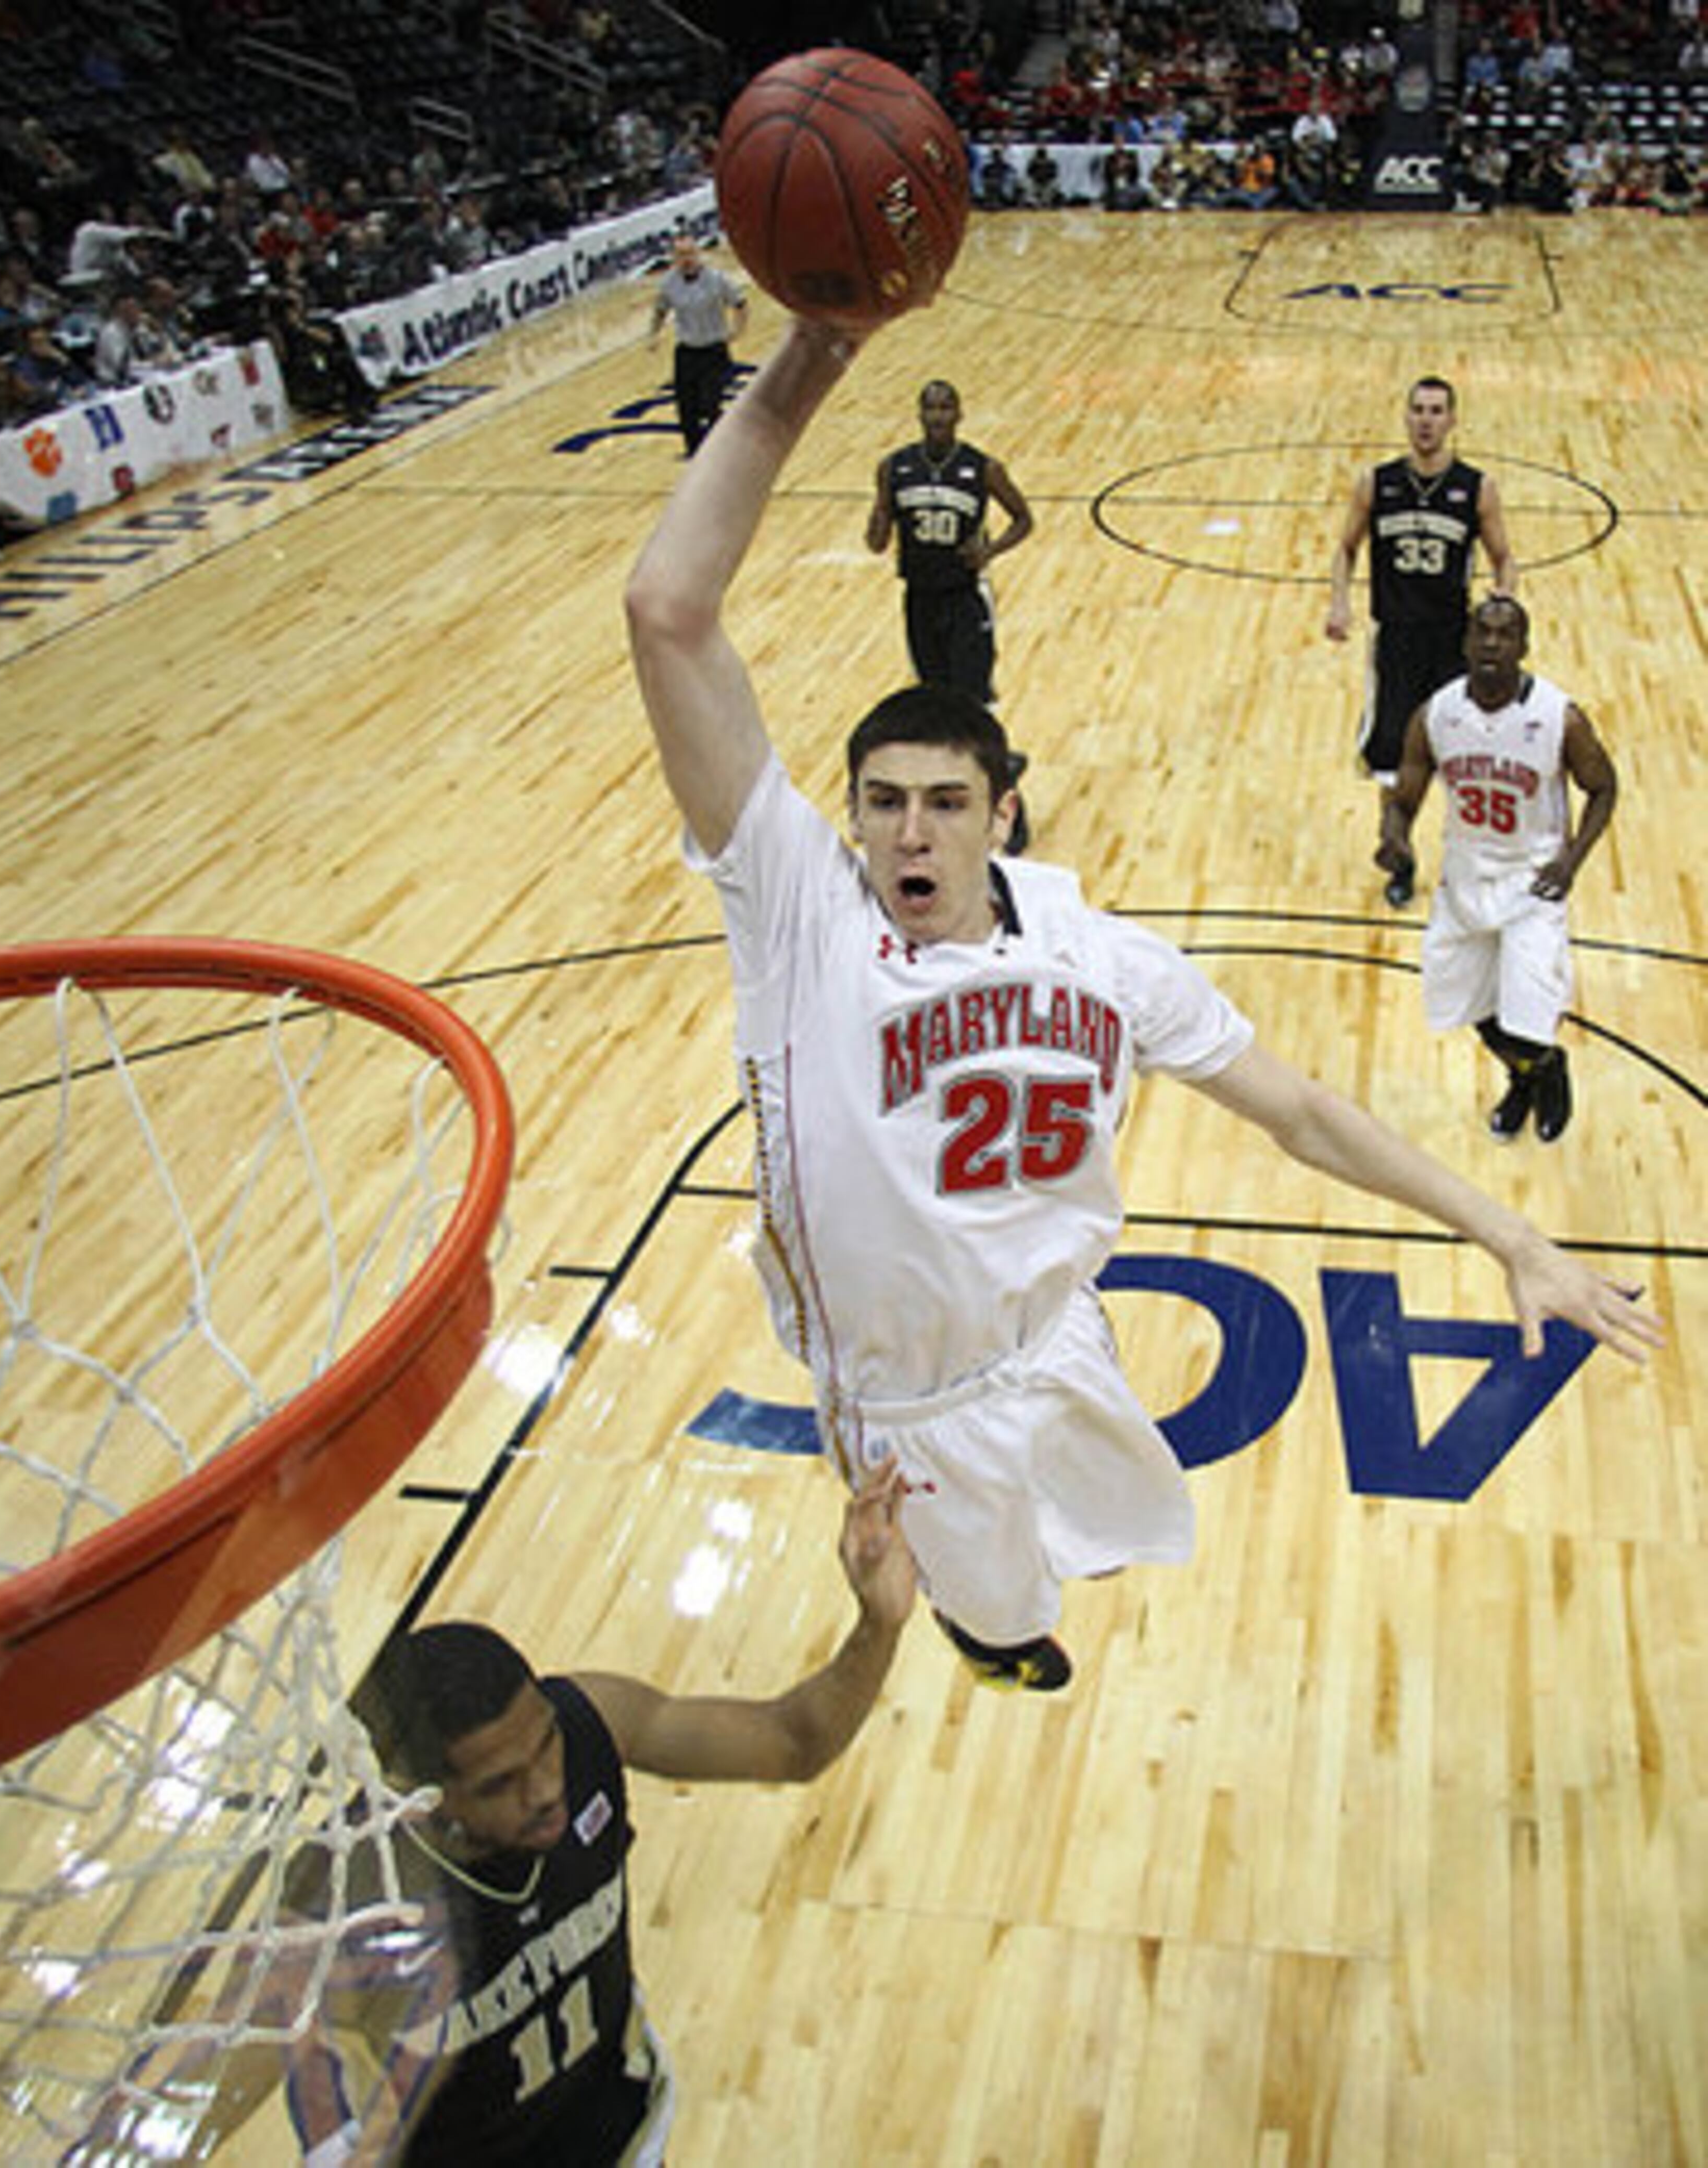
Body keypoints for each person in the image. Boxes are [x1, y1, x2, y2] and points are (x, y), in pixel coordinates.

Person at [624, 320, 1662, 1697]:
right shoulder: (799, 911)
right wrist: (822, 344)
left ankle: (1031, 1543)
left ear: (1004, 813)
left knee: (1113, 1533)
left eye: (945, 804)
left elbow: (1301, 1110)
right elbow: (667, 613)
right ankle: (981, 1628)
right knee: (1000, 1614)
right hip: (906, 1398)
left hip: (1060, 1333)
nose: (911, 837)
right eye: (882, 805)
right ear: (849, 820)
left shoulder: (1102, 954)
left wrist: (1508, 1230)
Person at [75, 1464, 917, 2164]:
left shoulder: (591, 1721)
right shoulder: (351, 1894)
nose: (547, 1784)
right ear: (422, 1798)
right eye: (502, 1781)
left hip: (624, 2130)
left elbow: (794, 1739)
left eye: (544, 1745)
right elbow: (215, 2080)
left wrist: (878, 1621)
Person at [1375, 596, 1615, 1143]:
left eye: (1505, 636)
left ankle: (1545, 1070)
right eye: (1482, 633)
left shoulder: (1559, 717)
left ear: (1524, 648)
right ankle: (1527, 1078)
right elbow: (1404, 795)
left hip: (1532, 884)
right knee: (1474, 1010)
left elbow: (1604, 789)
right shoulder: (1437, 713)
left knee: (1527, 1017)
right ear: (1464, 643)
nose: (1491, 644)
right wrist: (1395, 838)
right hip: (1464, 878)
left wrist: (1571, 861)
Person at [1326, 375, 1519, 908]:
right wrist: (1339, 601)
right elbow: (1345, 548)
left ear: (1453, 420)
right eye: (1418, 410)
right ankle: (1400, 857)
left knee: (1467, 761)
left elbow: (1506, 558)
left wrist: (1502, 602)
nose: (1427, 420)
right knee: (1393, 761)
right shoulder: (1376, 483)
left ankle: (1471, 867)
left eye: (1437, 410)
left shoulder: (1477, 487)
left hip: (1453, 645)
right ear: (1406, 417)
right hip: (1396, 642)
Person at [865, 378, 1033, 709]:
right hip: (919, 594)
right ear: (920, 415)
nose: (938, 416)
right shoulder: (894, 467)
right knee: (933, 693)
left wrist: (989, 551)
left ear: (959, 415)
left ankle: (991, 755)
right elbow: (876, 542)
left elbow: (1024, 520)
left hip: (965, 595)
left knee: (975, 692)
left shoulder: (983, 468)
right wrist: (880, 516)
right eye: (931, 408)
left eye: (945, 408)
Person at [647, 235, 745, 458]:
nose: (687, 260)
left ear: (698, 254)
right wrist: (654, 335)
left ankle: (723, 447)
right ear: (674, 258)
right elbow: (661, 310)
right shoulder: (669, 283)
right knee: (686, 406)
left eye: (690, 254)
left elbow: (740, 304)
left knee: (711, 403)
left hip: (713, 350)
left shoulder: (717, 279)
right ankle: (694, 452)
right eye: (681, 256)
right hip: (687, 351)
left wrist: (737, 330)